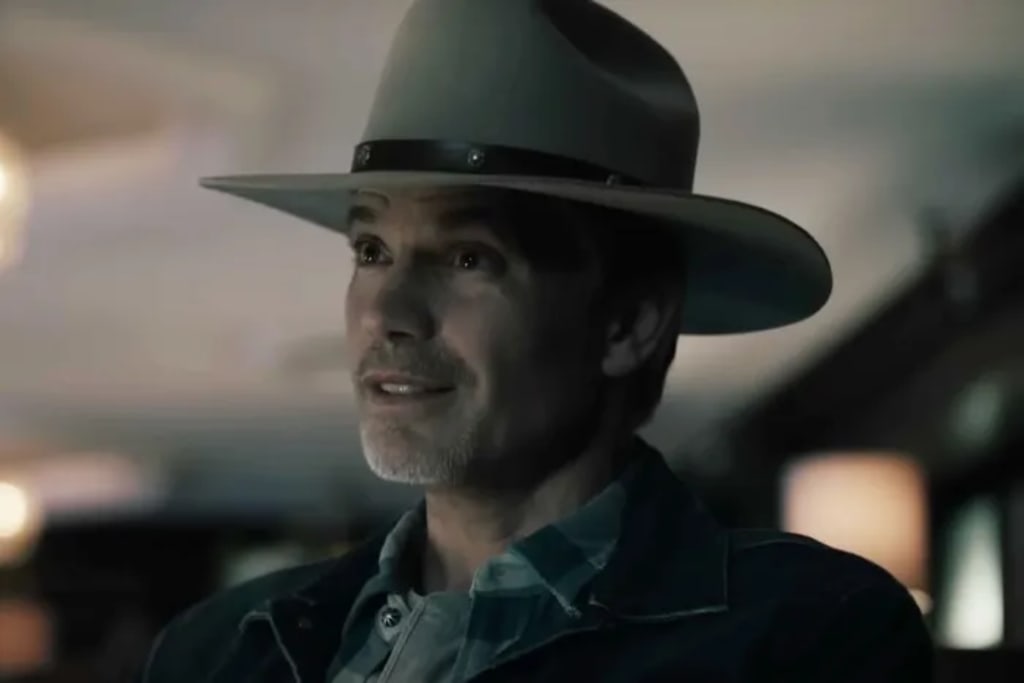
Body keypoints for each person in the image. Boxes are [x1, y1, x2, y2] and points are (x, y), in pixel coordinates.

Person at [138, 0, 933, 681]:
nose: (387, 312)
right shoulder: (217, 650)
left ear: (628, 323)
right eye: (371, 249)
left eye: (467, 257)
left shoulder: (804, 633)